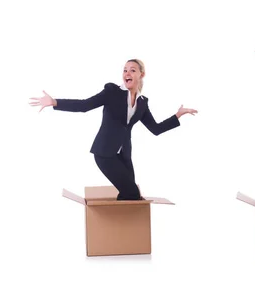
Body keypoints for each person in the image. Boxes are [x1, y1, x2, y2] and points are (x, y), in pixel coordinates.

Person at [29, 59, 198, 200]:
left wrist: (177, 116)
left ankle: (123, 233)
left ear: (141, 74)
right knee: (131, 192)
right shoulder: (112, 92)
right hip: (104, 152)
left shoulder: (142, 102)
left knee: (133, 195)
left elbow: (155, 129)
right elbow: (84, 105)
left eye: (132, 70)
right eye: (125, 70)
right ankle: (113, 231)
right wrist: (55, 102)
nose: (127, 74)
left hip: (124, 155)